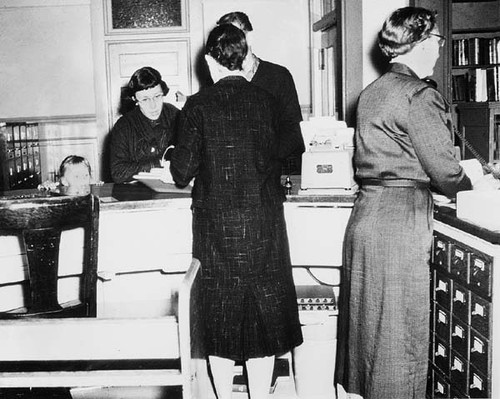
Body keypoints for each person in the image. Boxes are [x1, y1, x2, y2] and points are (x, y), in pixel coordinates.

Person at [334, 7, 473, 399]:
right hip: (401, 221)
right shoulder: (420, 94)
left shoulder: (372, 92)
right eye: (438, 41)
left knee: (369, 337)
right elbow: (446, 174)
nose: (439, 49)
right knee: (400, 339)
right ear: (423, 43)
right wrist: (472, 185)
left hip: (367, 217)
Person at [169, 24, 303, 399]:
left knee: (220, 314)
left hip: (216, 226)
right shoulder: (268, 101)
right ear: (244, 59)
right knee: (262, 315)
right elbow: (289, 150)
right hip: (264, 221)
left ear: (211, 62)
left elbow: (181, 173)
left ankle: (224, 396)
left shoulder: (197, 106)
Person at [216, 11, 305, 174]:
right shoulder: (218, 82)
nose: (229, 44)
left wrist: (267, 158)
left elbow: (293, 127)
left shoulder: (278, 76)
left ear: (250, 37)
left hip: (278, 170)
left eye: (234, 36)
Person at [109, 66, 179, 183]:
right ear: (134, 100)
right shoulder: (124, 126)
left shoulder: (176, 115)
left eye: (157, 96)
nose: (153, 105)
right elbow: (117, 172)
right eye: (145, 100)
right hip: (137, 192)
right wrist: (159, 163)